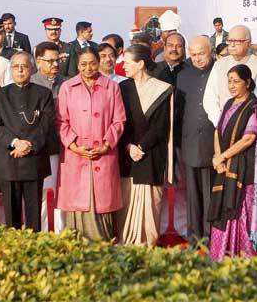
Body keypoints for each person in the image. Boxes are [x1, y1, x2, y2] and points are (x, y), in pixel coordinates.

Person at [208, 64, 257, 260]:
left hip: (246, 169)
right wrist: (218, 157)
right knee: (224, 208)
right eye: (229, 81)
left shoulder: (255, 107)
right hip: (225, 166)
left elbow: (249, 138)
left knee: (241, 210)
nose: (232, 86)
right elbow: (217, 130)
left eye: (236, 81)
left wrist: (223, 156)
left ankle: (246, 254)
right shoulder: (228, 103)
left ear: (248, 83)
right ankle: (222, 253)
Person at [56, 47, 126, 240]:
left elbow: (119, 121)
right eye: (83, 64)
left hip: (103, 155)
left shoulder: (112, 87)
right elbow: (61, 122)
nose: (88, 68)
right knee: (78, 203)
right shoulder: (67, 87)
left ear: (99, 62)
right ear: (78, 65)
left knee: (103, 204)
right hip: (76, 156)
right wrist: (73, 145)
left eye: (92, 63)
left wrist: (106, 144)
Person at [0, 52, 54, 232]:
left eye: (24, 66)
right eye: (15, 66)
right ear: (10, 69)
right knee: (11, 215)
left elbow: (46, 124)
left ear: (31, 69)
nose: (20, 70)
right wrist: (16, 142)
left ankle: (35, 247)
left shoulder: (44, 94)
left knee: (34, 213)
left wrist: (28, 145)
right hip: (8, 159)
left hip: (34, 159)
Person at [117, 44, 174, 246]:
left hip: (151, 154)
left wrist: (140, 147)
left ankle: (147, 243)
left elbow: (161, 126)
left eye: (127, 62)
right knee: (127, 199)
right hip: (126, 154)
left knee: (151, 203)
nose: (123, 66)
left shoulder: (162, 89)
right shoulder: (122, 88)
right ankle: (126, 242)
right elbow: (119, 122)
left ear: (141, 64)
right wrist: (129, 147)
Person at [176, 36, 215, 243]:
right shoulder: (183, 75)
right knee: (191, 193)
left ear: (211, 51)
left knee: (211, 191)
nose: (197, 58)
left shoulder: (220, 72)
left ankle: (211, 236)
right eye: (193, 54)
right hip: (189, 140)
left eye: (201, 53)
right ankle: (194, 236)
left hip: (213, 142)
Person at [203, 25, 257, 126]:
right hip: (222, 125)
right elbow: (210, 98)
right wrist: (220, 122)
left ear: (248, 43)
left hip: (249, 127)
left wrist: (245, 125)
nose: (232, 45)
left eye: (237, 41)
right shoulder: (219, 64)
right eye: (230, 41)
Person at [31, 41, 66, 232]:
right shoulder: (31, 83)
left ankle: (62, 234)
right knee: (42, 193)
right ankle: (42, 233)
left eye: (57, 60)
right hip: (41, 148)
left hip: (66, 147)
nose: (55, 65)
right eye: (50, 61)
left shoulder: (67, 83)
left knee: (64, 191)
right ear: (38, 61)